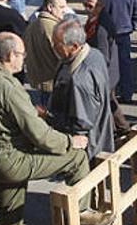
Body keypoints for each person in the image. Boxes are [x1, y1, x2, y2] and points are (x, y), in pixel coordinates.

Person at [0, 32, 112, 225]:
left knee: (9, 214)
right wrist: (70, 142)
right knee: (77, 159)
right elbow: (38, 134)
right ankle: (80, 211)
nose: (24, 59)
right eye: (22, 54)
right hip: (12, 159)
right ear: (9, 56)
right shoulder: (7, 86)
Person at [47, 19, 115, 159]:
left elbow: (81, 124)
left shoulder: (80, 80)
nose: (53, 47)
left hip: (88, 149)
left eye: (57, 45)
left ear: (74, 46)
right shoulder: (94, 54)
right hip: (99, 137)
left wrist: (47, 117)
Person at [85, 0, 129, 133]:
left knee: (105, 104)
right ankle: (122, 128)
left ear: (99, 5)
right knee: (109, 101)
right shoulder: (94, 19)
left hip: (105, 72)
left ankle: (112, 133)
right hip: (107, 72)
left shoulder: (101, 27)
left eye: (90, 5)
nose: (86, 8)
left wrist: (96, 75)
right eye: (84, 4)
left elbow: (103, 55)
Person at [99, 0, 137, 103]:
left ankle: (109, 94)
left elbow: (95, 14)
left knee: (107, 64)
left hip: (106, 35)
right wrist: (132, 26)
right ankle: (127, 93)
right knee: (125, 64)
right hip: (124, 33)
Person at [24, 0, 68, 105]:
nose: (65, 10)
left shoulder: (32, 25)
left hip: (39, 82)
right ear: (50, 7)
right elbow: (64, 56)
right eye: (61, 7)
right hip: (53, 83)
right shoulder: (54, 28)